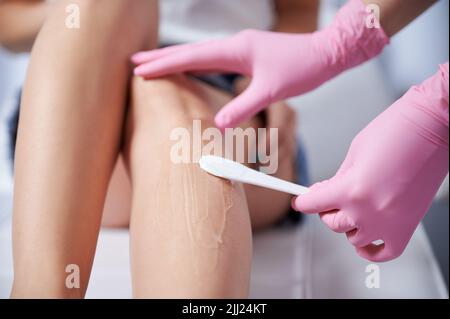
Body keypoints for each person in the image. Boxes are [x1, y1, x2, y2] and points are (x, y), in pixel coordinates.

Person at [1, 0, 317, 298]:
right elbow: (9, 17)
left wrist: (269, 78)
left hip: (229, 93)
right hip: (83, 100)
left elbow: (299, 12)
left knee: (179, 122)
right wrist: (71, 14)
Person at [133, 0, 449, 262]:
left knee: (186, 145)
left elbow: (298, 10)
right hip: (102, 92)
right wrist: (340, 41)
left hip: (226, 89)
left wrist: (439, 109)